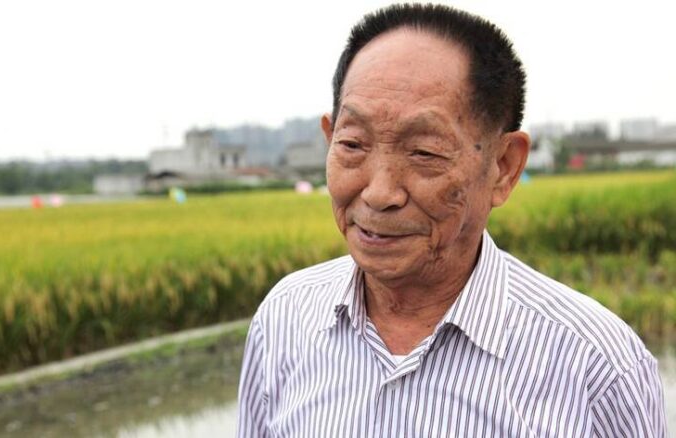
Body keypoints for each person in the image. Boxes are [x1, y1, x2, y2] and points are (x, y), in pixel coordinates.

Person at [237, 4, 666, 437]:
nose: (379, 193)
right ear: (329, 139)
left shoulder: (596, 369)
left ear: (504, 167)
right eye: (352, 144)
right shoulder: (285, 319)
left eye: (424, 152)